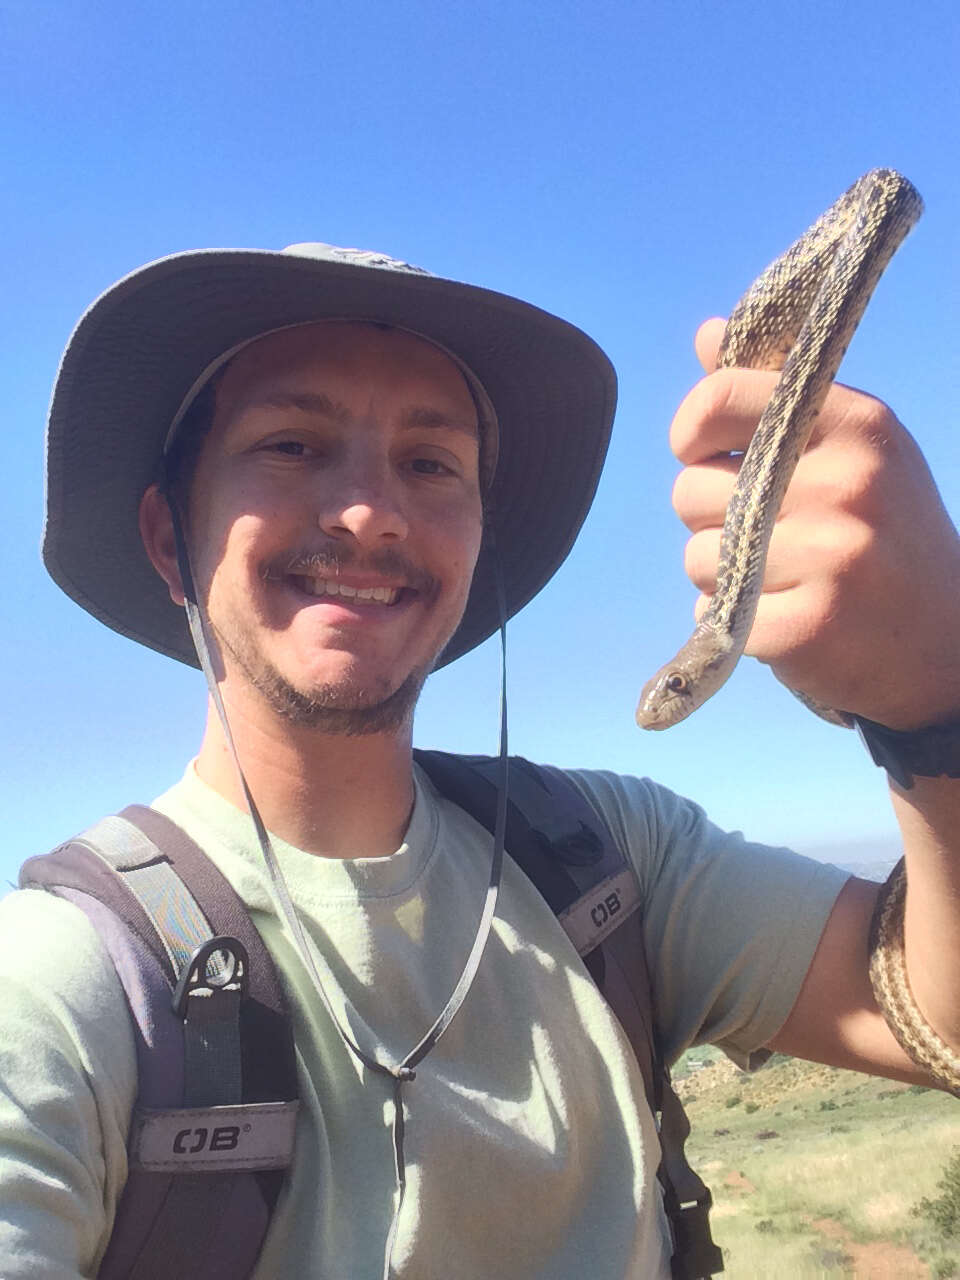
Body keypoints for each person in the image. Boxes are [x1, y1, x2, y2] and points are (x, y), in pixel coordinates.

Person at [1, 241, 958, 1279]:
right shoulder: (61, 987)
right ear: (165, 538)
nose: (369, 510)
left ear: (477, 540)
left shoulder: (607, 860)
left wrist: (931, 700)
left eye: (431, 462)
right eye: (290, 443)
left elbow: (933, 1013)